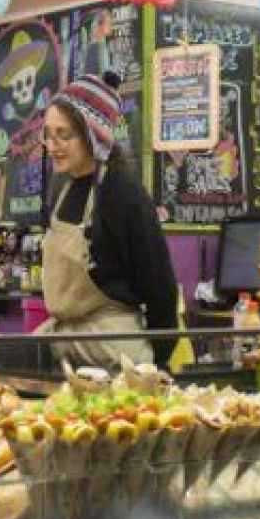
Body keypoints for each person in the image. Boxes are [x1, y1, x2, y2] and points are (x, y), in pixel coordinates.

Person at [35, 73, 177, 368]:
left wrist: (155, 362)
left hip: (113, 345)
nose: (53, 145)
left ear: (94, 134)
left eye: (65, 135)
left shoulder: (123, 193)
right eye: (48, 134)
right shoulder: (62, 187)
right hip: (65, 337)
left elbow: (161, 289)